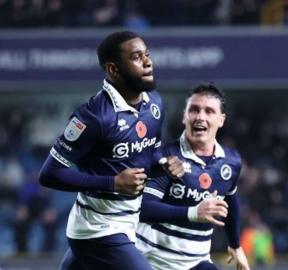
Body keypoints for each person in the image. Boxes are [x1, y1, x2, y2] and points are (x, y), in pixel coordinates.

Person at [39, 31, 184, 270]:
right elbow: (49, 174)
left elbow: (151, 156)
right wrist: (113, 183)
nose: (148, 62)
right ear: (113, 69)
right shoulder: (93, 117)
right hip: (97, 228)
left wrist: (166, 166)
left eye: (147, 54)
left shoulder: (155, 103)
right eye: (137, 57)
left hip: (129, 221)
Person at [136, 84, 250, 270]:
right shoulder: (166, 158)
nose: (200, 117)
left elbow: (230, 198)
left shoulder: (231, 161)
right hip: (153, 261)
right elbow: (143, 209)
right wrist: (193, 213)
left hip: (197, 263)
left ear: (221, 120)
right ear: (184, 116)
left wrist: (236, 246)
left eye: (209, 111)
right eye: (194, 110)